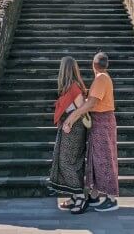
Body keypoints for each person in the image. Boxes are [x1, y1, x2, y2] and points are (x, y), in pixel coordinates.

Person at [64, 51, 119, 212]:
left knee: (105, 158)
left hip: (103, 121)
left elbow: (92, 103)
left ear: (93, 65)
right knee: (95, 159)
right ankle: (94, 195)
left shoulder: (102, 78)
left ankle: (111, 199)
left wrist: (73, 117)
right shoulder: (101, 78)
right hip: (99, 121)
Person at [47, 56, 89, 213]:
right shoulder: (68, 88)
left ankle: (80, 197)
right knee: (71, 162)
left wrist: (70, 122)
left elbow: (82, 109)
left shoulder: (74, 88)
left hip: (74, 129)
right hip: (69, 128)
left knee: (66, 162)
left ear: (64, 70)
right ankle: (74, 196)